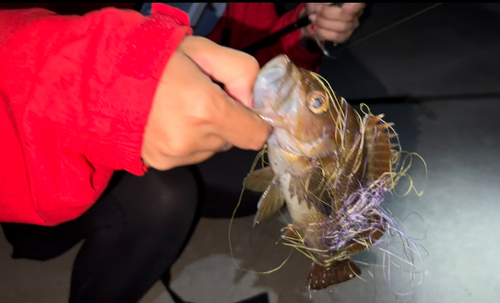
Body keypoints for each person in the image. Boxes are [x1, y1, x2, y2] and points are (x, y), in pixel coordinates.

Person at [0, 3, 365, 303]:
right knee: (167, 199)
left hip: (149, 136)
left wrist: (306, 32)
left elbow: (260, 59)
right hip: (29, 161)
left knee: (252, 182)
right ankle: (54, 238)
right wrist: (105, 84)